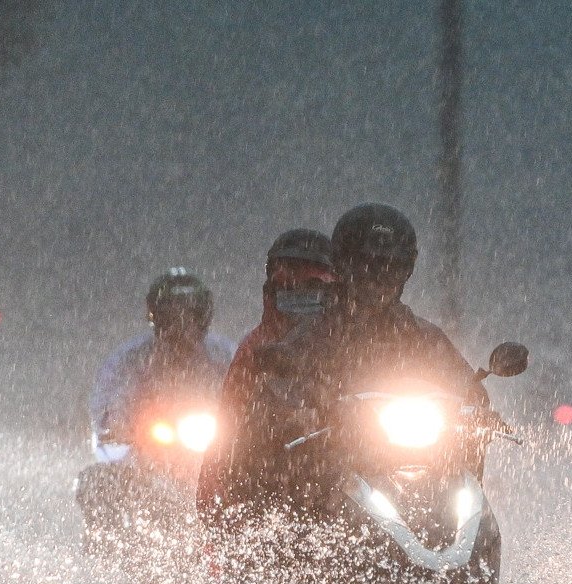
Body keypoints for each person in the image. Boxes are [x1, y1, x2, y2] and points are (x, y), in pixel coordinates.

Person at [198, 203, 487, 521]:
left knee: (468, 500)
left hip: (414, 468)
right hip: (331, 478)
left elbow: (462, 381)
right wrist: (304, 410)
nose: (379, 276)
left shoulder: (422, 335)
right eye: (368, 264)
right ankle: (293, 557)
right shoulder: (313, 331)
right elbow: (276, 386)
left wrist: (479, 407)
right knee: (295, 486)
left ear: (408, 271)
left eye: (392, 266)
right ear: (344, 266)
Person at [76, 268, 237, 544]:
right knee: (98, 482)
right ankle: (112, 545)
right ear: (157, 315)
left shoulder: (224, 354)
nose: (182, 321)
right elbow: (109, 399)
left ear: (204, 314)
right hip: (148, 455)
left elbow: (244, 390)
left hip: (212, 454)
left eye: (190, 311)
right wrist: (116, 425)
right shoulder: (131, 358)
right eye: (173, 312)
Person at [196, 230, 337, 526]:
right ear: (272, 289)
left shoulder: (354, 339)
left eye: (311, 287)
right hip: (273, 477)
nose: (299, 297)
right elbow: (228, 428)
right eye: (288, 287)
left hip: (345, 464)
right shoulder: (255, 348)